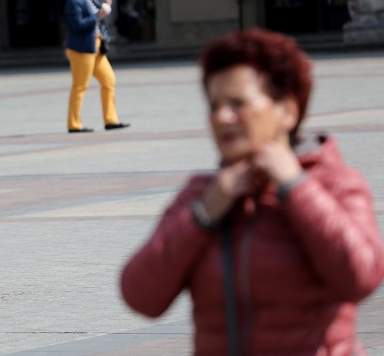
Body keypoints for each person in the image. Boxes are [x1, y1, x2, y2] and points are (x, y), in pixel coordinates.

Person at [120, 28, 384, 355]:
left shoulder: (336, 184)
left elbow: (361, 277)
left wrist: (295, 187)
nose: (221, 117)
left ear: (287, 110)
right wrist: (203, 214)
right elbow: (140, 295)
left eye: (237, 103)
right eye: (214, 105)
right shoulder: (203, 195)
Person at [63, 0, 129, 133]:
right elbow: (78, 25)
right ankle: (74, 123)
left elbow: (97, 16)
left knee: (109, 80)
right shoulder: (74, 0)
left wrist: (105, 7)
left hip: (96, 47)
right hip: (81, 49)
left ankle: (111, 119)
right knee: (80, 86)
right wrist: (99, 15)